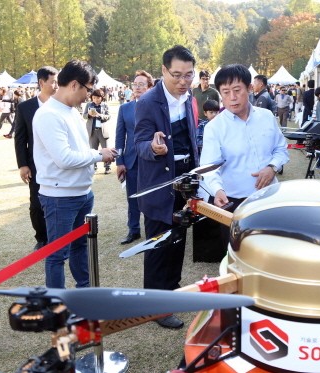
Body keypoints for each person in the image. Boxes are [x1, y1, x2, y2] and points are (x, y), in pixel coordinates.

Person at [33, 59, 116, 289]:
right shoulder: (49, 115)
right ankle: (57, 306)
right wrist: (99, 155)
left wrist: (97, 154)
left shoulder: (70, 111)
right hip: (60, 197)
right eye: (88, 90)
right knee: (57, 255)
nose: (89, 96)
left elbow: (78, 150)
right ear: (73, 84)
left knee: (80, 247)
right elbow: (65, 159)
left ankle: (84, 295)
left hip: (81, 193)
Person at [134, 45, 199, 329]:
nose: (183, 81)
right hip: (160, 185)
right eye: (177, 75)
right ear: (163, 71)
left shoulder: (188, 98)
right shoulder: (148, 102)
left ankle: (171, 292)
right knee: (159, 245)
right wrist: (154, 147)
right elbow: (139, 144)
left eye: (189, 75)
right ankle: (156, 306)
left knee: (178, 240)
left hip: (185, 181)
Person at [200, 64, 289, 249]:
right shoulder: (214, 128)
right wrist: (217, 190)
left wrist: (272, 167)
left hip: (269, 198)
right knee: (238, 256)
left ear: (249, 88)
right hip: (234, 203)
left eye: (237, 90)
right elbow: (208, 168)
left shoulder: (266, 117)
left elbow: (281, 149)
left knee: (271, 252)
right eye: (225, 92)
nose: (232, 97)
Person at [13, 66, 59, 251]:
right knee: (36, 203)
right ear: (41, 82)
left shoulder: (62, 105)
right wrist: (23, 165)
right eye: (53, 81)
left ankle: (60, 237)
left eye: (58, 81)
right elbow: (20, 138)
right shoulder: (25, 107)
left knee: (60, 201)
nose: (56, 85)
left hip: (59, 163)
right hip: (35, 166)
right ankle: (42, 238)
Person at [115, 70, 154, 245]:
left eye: (141, 85)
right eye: (135, 84)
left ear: (149, 87)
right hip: (131, 160)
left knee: (152, 196)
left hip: (152, 159)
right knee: (132, 197)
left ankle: (153, 230)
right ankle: (134, 230)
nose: (137, 88)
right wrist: (119, 161)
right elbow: (119, 137)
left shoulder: (156, 107)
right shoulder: (124, 109)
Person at [83, 89, 112, 174]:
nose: (96, 99)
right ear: (92, 98)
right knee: (93, 150)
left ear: (102, 98)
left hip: (103, 131)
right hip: (92, 131)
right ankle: (94, 167)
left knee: (106, 149)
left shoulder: (105, 105)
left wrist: (99, 115)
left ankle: (107, 167)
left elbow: (108, 116)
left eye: (98, 98)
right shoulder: (88, 105)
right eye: (94, 97)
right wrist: (89, 115)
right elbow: (84, 115)